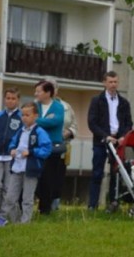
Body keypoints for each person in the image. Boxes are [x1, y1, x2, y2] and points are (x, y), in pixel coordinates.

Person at [87, 71, 133, 212]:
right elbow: (92, 122)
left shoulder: (124, 103)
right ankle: (92, 205)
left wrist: (122, 137)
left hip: (117, 142)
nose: (113, 85)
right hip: (101, 141)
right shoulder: (97, 100)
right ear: (105, 83)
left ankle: (113, 203)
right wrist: (105, 136)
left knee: (116, 174)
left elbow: (128, 123)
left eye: (115, 82)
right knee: (97, 173)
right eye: (110, 82)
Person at [0, 102, 52, 224]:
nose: (24, 118)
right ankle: (15, 220)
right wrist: (11, 149)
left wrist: (31, 152)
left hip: (30, 169)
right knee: (10, 198)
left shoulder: (39, 132)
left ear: (35, 116)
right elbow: (13, 143)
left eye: (27, 115)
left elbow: (46, 149)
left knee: (27, 198)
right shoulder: (20, 131)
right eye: (23, 115)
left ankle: (25, 222)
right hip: (17, 168)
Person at [45, 77, 78, 211]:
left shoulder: (66, 107)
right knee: (45, 175)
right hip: (45, 146)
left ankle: (55, 204)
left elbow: (74, 124)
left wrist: (69, 132)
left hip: (62, 147)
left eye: (54, 88)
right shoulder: (38, 106)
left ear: (57, 90)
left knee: (58, 175)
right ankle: (43, 204)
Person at [33, 80, 64, 215]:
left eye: (39, 91)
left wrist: (37, 120)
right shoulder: (35, 106)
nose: (36, 94)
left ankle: (45, 209)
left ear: (48, 93)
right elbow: (28, 119)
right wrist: (44, 121)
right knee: (36, 177)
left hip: (52, 148)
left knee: (48, 178)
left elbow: (55, 121)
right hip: (36, 147)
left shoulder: (58, 107)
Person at [0, 88, 22, 224]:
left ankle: (6, 217)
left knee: (8, 189)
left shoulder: (21, 118)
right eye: (8, 98)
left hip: (12, 158)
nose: (10, 101)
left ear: (18, 100)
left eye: (13, 98)